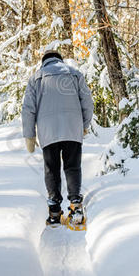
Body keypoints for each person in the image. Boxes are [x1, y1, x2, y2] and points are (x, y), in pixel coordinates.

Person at [21, 49, 94, 227]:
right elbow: (87, 101)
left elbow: (28, 109)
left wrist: (29, 136)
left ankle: (54, 212)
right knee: (72, 166)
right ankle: (76, 206)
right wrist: (84, 124)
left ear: (44, 62)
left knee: (51, 169)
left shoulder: (36, 78)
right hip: (72, 128)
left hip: (48, 131)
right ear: (59, 60)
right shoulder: (75, 74)